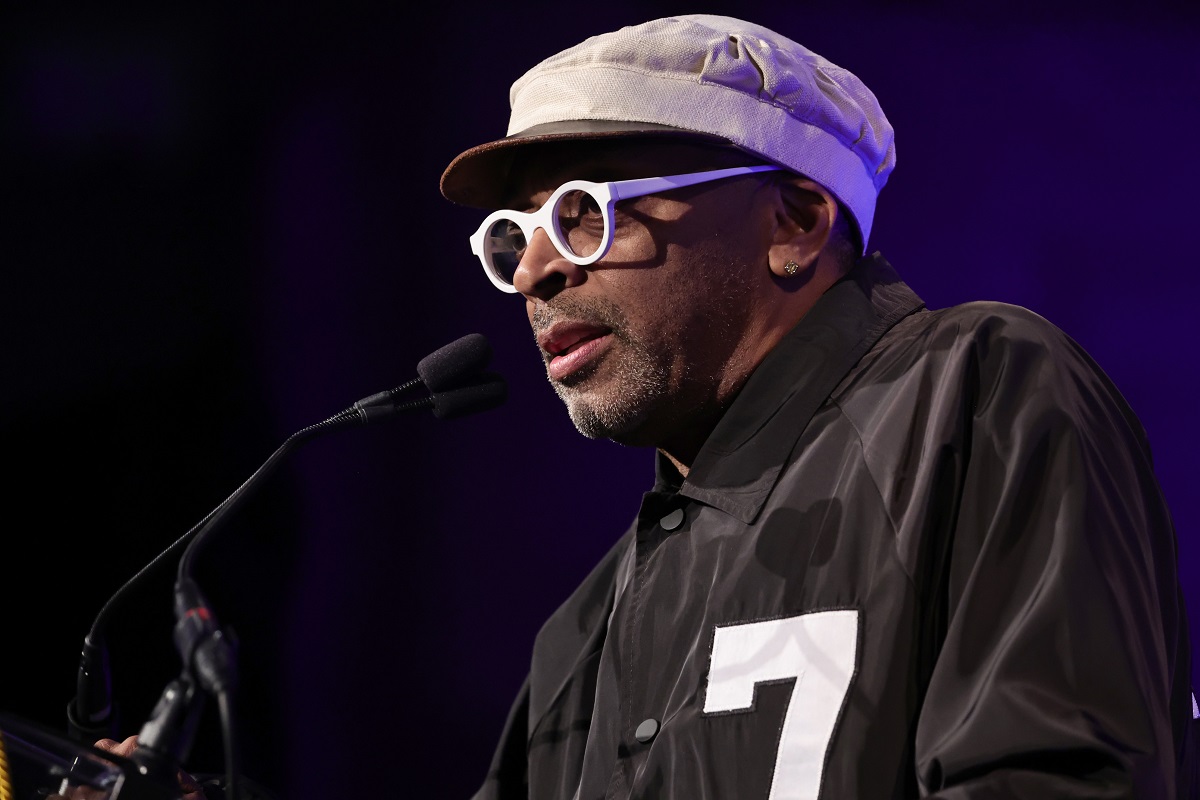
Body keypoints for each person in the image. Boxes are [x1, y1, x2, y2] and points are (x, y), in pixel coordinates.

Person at [436, 13, 1199, 800]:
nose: (532, 270)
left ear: (795, 220)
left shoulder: (974, 396)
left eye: (583, 211)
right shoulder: (579, 636)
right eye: (513, 233)